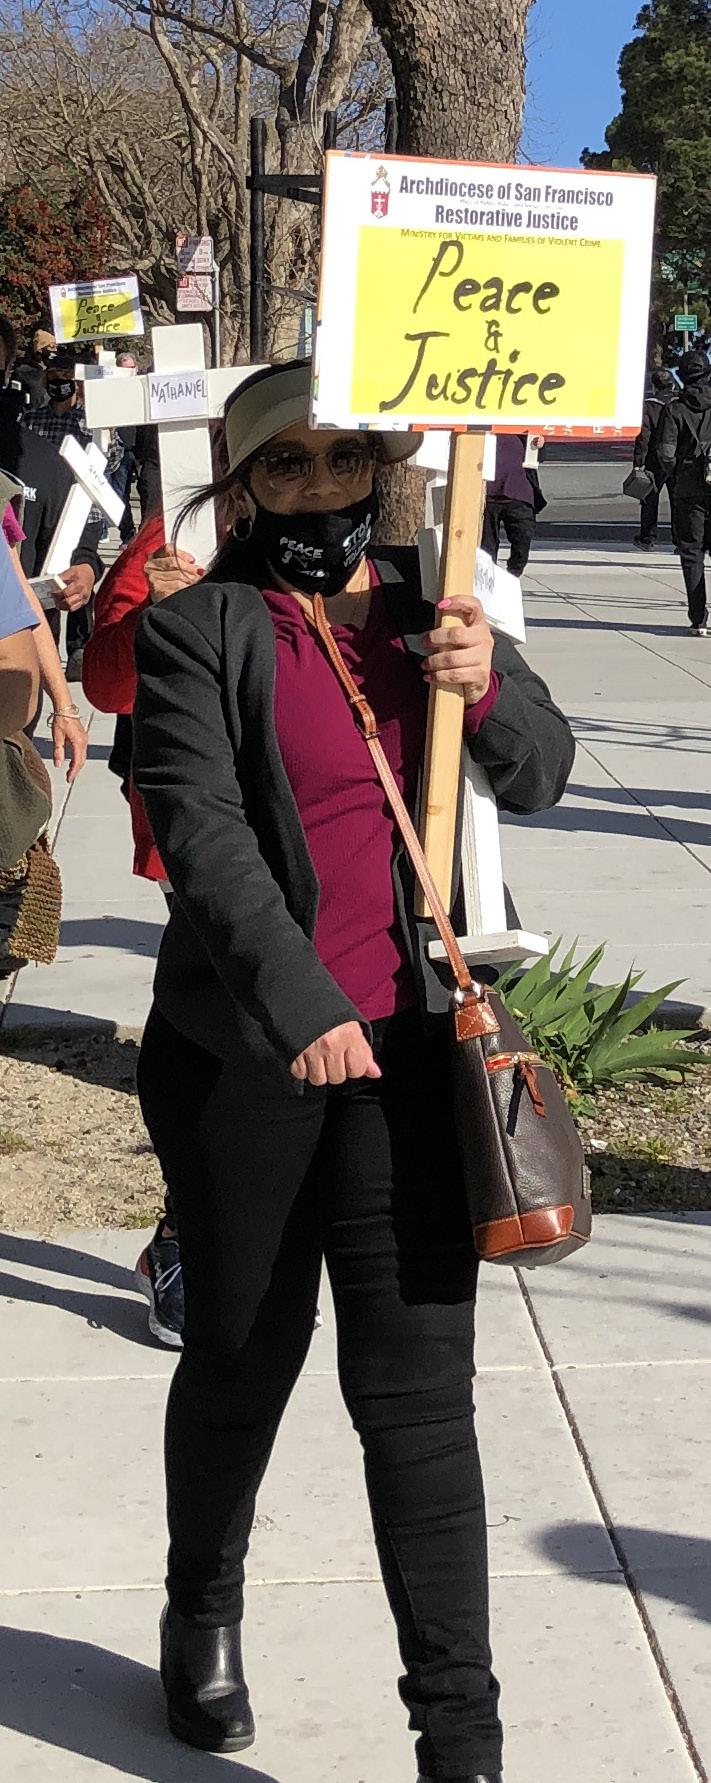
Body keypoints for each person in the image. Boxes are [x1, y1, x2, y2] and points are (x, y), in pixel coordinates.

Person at [131, 360, 575, 1780]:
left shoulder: (439, 600)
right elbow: (201, 834)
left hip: (415, 1060)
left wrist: (484, 690)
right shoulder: (198, 630)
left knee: (418, 1404)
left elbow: (544, 770)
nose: (317, 484)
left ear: (376, 467)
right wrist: (302, 1002)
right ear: (243, 483)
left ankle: (461, 1737)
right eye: (286, 462)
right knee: (242, 1357)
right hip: (248, 1057)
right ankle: (202, 1603)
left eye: (340, 458)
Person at [83, 515, 205, 1346]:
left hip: (329, 824)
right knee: (215, 1034)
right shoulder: (176, 530)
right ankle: (185, 1240)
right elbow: (107, 684)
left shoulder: (360, 524)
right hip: (200, 829)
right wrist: (156, 613)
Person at [23, 348, 120, 675]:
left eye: (66, 378)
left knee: (78, 577)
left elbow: (112, 462)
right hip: (43, 510)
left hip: (82, 511)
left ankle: (78, 647)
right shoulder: (32, 419)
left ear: (76, 384)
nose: (59, 384)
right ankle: (42, 646)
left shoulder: (91, 423)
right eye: (54, 378)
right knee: (46, 578)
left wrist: (108, 430)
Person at [657, 348, 711, 636]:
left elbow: (665, 454)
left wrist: (679, 472)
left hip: (688, 490)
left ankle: (698, 618)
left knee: (692, 553)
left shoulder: (674, 409)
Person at [481, 433, 542, 578]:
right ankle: (487, 580)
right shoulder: (481, 430)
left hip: (518, 493)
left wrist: (540, 444)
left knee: (522, 539)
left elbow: (537, 455)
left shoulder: (521, 429)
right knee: (486, 548)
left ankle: (513, 575)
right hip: (487, 495)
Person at [632, 367, 678, 550]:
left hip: (654, 458)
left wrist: (638, 463)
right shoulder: (680, 404)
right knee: (678, 501)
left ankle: (647, 538)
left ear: (653, 386)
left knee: (650, 499)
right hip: (677, 458)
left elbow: (644, 437)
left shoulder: (649, 406)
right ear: (672, 385)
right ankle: (680, 540)